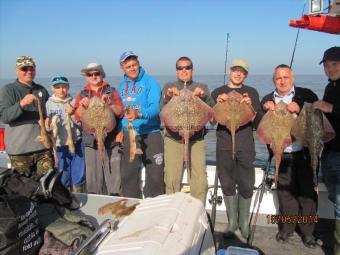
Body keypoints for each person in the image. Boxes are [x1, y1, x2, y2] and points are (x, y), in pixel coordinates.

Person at [262, 64, 318, 248]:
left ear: (292, 78)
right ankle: (286, 228)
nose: (282, 81)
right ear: (274, 81)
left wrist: (301, 107)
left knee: (307, 195)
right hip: (282, 154)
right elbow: (258, 124)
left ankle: (308, 233)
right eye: (278, 78)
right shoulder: (268, 98)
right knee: (285, 195)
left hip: (303, 153)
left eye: (286, 77)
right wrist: (265, 108)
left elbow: (317, 112)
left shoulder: (306, 94)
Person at [211, 59, 262, 240]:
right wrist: (217, 103)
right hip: (224, 143)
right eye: (235, 70)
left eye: (242, 71)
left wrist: (249, 105)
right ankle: (232, 222)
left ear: (245, 75)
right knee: (227, 182)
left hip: (245, 143)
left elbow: (257, 121)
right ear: (229, 71)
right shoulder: (217, 91)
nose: (238, 74)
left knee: (247, 182)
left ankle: (244, 223)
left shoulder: (252, 92)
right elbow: (211, 119)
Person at [161, 56, 214, 204]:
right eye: (180, 68)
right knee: (172, 177)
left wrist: (203, 96)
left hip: (196, 138)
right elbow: (162, 109)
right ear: (176, 70)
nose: (184, 70)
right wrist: (168, 95)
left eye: (187, 67)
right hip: (173, 138)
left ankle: (198, 210)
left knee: (199, 178)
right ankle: (171, 210)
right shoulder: (168, 86)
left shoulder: (202, 86)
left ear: (192, 69)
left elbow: (211, 111)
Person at [118, 51, 164, 198]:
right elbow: (119, 112)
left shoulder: (151, 82)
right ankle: (132, 208)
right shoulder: (121, 86)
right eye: (128, 66)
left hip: (151, 133)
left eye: (134, 65)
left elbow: (156, 108)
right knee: (128, 175)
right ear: (122, 68)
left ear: (139, 64)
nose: (132, 68)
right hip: (129, 134)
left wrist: (139, 114)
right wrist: (119, 130)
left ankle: (154, 207)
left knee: (156, 176)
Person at [0, 56, 53, 180]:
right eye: (25, 68)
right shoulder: (8, 90)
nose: (29, 71)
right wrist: (21, 104)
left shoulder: (41, 89)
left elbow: (49, 114)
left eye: (32, 68)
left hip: (43, 149)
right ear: (17, 70)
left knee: (46, 184)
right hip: (19, 151)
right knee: (23, 189)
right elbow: (4, 117)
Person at [74, 63, 124, 195]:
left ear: (101, 74)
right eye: (90, 74)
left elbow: (120, 112)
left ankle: (115, 203)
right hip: (91, 141)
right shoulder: (82, 94)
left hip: (111, 141)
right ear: (86, 77)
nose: (94, 76)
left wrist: (109, 104)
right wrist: (82, 107)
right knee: (93, 180)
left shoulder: (111, 91)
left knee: (113, 178)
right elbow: (77, 117)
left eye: (97, 73)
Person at [313, 46, 340, 255]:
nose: (330, 69)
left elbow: (331, 111)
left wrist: (330, 108)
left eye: (335, 64)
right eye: (327, 65)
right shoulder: (331, 86)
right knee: (334, 197)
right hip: (329, 152)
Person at [45, 75, 85, 192]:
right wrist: (47, 126)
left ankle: (79, 196)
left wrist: (73, 114)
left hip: (76, 141)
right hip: (59, 145)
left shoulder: (74, 102)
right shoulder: (48, 104)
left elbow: (80, 122)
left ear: (68, 87)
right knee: (63, 174)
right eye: (57, 87)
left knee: (78, 174)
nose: (61, 90)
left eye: (64, 87)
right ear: (52, 89)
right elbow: (47, 125)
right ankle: (64, 198)